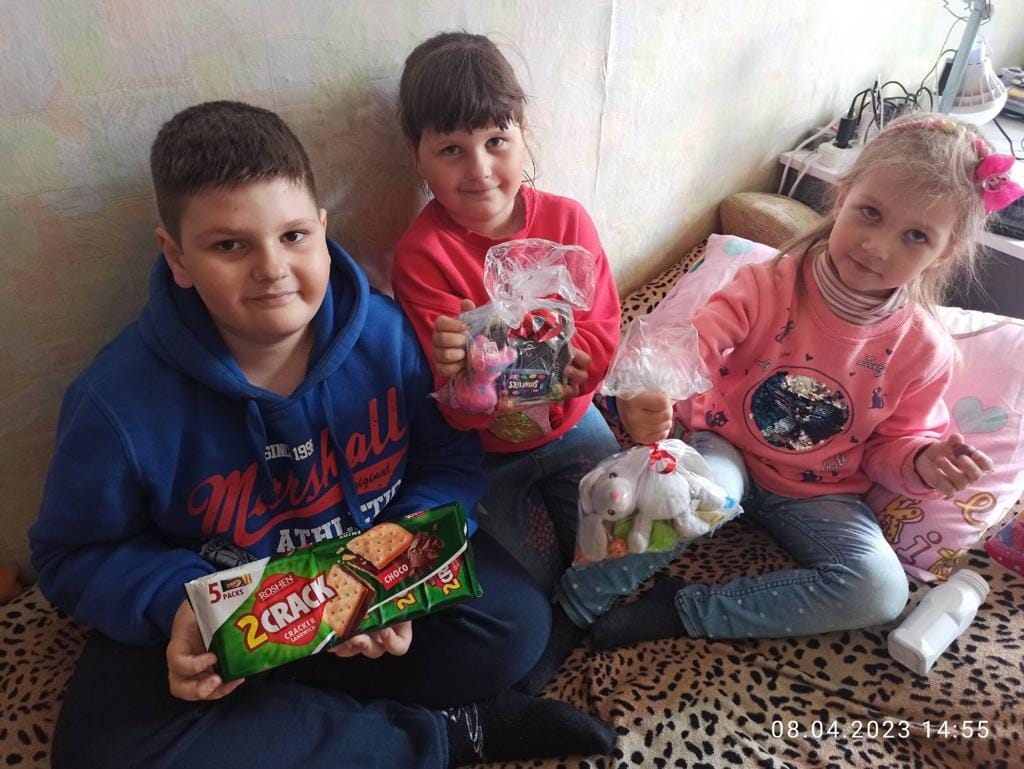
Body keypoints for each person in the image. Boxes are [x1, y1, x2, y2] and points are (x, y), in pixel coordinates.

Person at [29, 100, 614, 769]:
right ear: (177, 255)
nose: (272, 269)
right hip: (221, 611)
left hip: (370, 572)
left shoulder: (388, 337)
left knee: (514, 626)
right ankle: (452, 735)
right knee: (98, 751)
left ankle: (295, 723)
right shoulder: (115, 402)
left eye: (293, 235)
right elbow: (70, 554)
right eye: (229, 245)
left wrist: (394, 569)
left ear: (323, 228)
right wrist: (178, 605)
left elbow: (448, 461)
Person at [579, 113, 1015, 649]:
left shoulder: (925, 350)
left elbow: (893, 447)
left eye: (916, 236)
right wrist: (650, 388)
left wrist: (923, 461)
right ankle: (576, 606)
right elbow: (694, 344)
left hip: (820, 493)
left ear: (943, 252)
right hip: (725, 450)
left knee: (882, 592)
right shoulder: (766, 284)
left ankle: (684, 609)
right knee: (677, 487)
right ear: (843, 196)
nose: (878, 247)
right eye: (870, 213)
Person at [391, 33, 623, 689]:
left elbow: (603, 321)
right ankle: (568, 618)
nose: (480, 169)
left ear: (524, 135)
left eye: (497, 140)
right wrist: (463, 375)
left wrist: (582, 364)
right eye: (451, 150)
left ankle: (589, 608)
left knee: (620, 529)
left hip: (574, 423)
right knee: (534, 579)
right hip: (486, 452)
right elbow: (456, 409)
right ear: (418, 159)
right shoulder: (423, 254)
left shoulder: (567, 222)